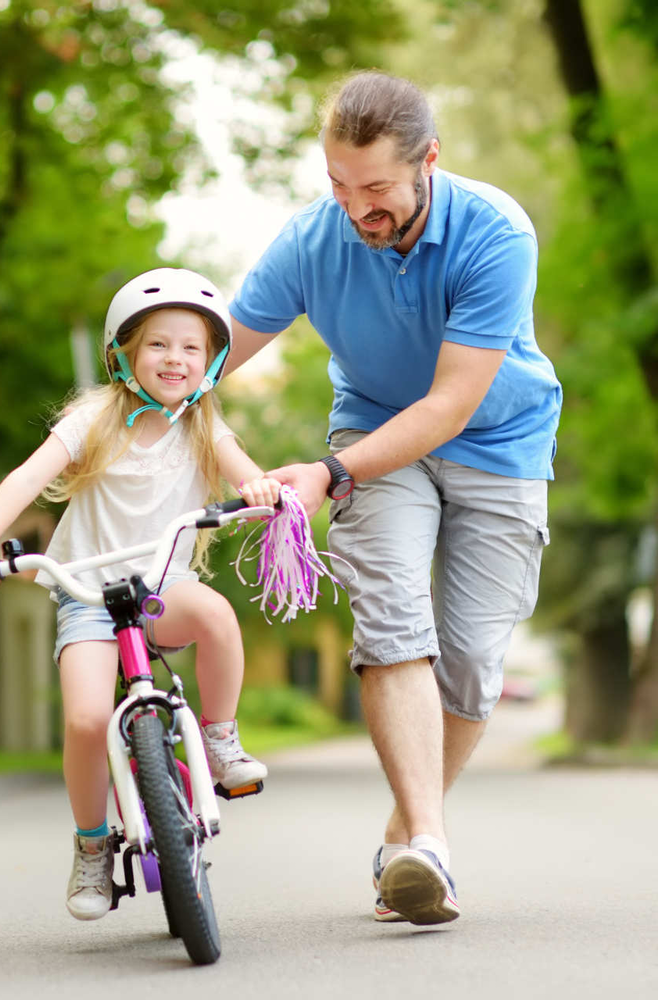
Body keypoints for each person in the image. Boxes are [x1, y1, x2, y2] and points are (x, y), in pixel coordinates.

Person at [226, 71, 562, 925]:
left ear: (429, 163)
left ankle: (409, 836)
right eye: (338, 184)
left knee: (475, 661)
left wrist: (327, 478)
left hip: (498, 441)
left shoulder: (495, 232)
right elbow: (215, 349)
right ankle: (428, 849)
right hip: (374, 440)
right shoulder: (313, 239)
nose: (355, 209)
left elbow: (451, 404)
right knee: (392, 619)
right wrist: (134, 387)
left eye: (375, 188)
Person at [0, 267, 280, 922]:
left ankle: (218, 739)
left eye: (192, 347)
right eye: (159, 344)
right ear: (125, 353)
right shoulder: (94, 418)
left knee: (216, 615)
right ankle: (92, 845)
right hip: (87, 596)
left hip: (164, 590)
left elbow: (248, 477)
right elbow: (25, 479)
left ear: (211, 361)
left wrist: (262, 491)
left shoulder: (202, 426)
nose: (175, 359)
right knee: (82, 721)